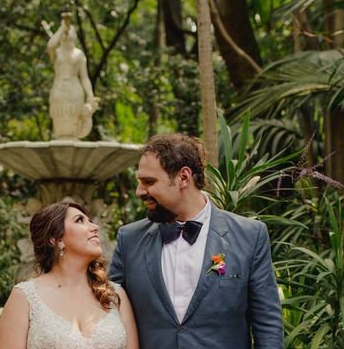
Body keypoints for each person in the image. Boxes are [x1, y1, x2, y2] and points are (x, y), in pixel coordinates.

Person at [109, 134, 284, 348]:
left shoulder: (250, 235)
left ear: (184, 177)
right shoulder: (129, 239)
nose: (139, 191)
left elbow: (268, 326)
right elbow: (106, 312)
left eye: (149, 182)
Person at [0, 201, 139, 349]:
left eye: (90, 221)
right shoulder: (24, 297)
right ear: (56, 239)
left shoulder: (115, 295)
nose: (95, 227)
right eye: (80, 220)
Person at [47, 12, 98, 140]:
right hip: (59, 89)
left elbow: (84, 77)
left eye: (70, 30)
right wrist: (62, 27)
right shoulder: (57, 53)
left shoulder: (79, 54)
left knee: (74, 125)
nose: (68, 33)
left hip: (74, 89)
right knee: (60, 124)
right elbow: (50, 45)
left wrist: (90, 95)